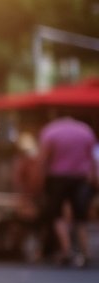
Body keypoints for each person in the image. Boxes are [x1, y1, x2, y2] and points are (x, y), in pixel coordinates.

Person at [37, 108, 98, 267]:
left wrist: (40, 180)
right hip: (81, 178)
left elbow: (43, 158)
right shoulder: (85, 130)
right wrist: (94, 178)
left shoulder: (51, 131)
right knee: (81, 215)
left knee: (56, 214)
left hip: (57, 178)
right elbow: (92, 158)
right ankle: (85, 253)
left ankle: (67, 250)